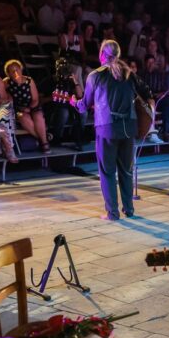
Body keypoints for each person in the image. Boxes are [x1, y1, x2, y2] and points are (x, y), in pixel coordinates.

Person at [70, 40, 153, 221]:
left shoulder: (95, 76)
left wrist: (73, 102)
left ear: (101, 55)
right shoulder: (129, 73)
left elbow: (84, 105)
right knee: (126, 170)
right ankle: (129, 210)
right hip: (129, 127)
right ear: (118, 54)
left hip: (107, 128)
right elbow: (147, 92)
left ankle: (112, 213)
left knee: (107, 171)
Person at [3, 60, 50, 153]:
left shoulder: (29, 80)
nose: (16, 72)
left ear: (21, 69)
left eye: (17, 69)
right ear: (8, 74)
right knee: (23, 118)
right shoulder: (6, 82)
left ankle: (43, 141)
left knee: (38, 117)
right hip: (18, 109)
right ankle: (44, 141)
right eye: (12, 71)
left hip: (32, 106)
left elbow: (35, 99)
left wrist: (29, 108)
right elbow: (5, 97)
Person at [50, 57, 84, 149]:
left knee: (83, 112)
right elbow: (41, 99)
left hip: (69, 106)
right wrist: (52, 97)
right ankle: (56, 138)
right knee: (64, 113)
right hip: (54, 108)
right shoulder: (51, 80)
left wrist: (75, 81)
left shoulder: (70, 81)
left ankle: (77, 138)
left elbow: (80, 95)